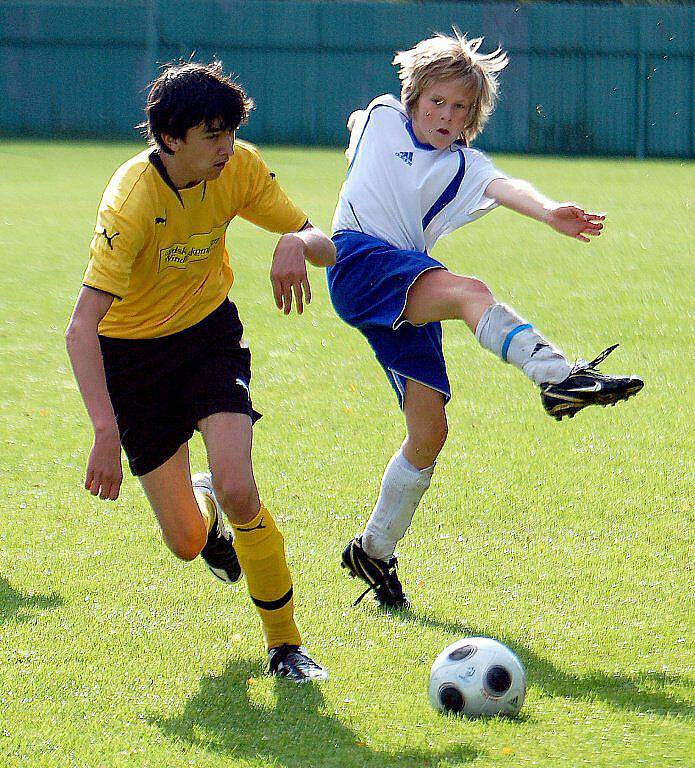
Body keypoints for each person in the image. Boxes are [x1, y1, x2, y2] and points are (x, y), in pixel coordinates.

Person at [328, 31, 643, 609]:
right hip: (357, 261)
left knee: (429, 433)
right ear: (413, 96)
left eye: (462, 109)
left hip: (408, 278)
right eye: (437, 102)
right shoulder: (380, 118)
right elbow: (360, 122)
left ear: (475, 117)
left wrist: (550, 213)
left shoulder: (463, 165)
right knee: (469, 291)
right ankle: (556, 376)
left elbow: (505, 186)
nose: (448, 116)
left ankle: (373, 550)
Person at [65, 60, 336, 681]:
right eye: (212, 135)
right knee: (187, 543)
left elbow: (324, 241)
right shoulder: (131, 200)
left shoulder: (237, 168)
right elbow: (81, 329)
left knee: (241, 486)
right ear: (170, 138)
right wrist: (106, 431)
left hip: (208, 338)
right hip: (132, 360)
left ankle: (286, 646)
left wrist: (295, 242)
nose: (226, 147)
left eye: (230, 131)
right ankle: (204, 509)